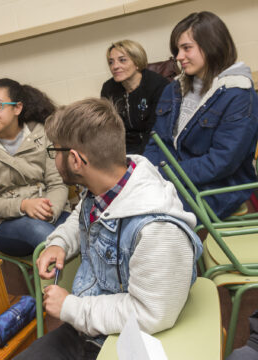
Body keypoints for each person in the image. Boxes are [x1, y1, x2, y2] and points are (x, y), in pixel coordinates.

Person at [13, 98, 203, 360]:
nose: (54, 160)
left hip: (130, 339)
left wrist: (70, 307)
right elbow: (83, 213)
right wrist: (60, 243)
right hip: (90, 323)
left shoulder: (158, 231)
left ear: (76, 160)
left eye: (55, 151)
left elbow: (150, 314)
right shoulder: (108, 185)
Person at [144, 11, 258, 220]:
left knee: (148, 215)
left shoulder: (238, 94)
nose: (178, 57)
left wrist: (165, 176)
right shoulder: (174, 89)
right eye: (177, 50)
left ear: (212, 46)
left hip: (219, 189)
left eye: (186, 48)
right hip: (175, 181)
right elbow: (157, 142)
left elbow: (221, 162)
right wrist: (147, 173)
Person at [0, 78, 70, 257]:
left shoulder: (42, 133)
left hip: (48, 209)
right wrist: (23, 206)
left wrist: (50, 211)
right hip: (6, 223)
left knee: (82, 229)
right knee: (42, 233)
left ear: (17, 108)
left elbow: (57, 182)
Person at [100, 40, 168, 155]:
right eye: (111, 62)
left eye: (122, 60)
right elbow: (108, 127)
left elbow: (157, 129)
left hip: (154, 144)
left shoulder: (158, 85)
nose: (115, 66)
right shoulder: (108, 88)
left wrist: (138, 159)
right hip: (123, 148)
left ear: (137, 62)